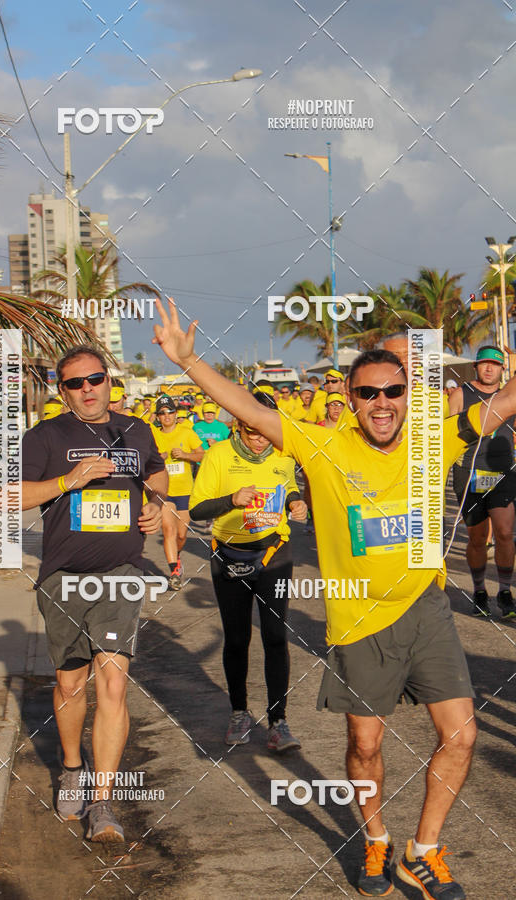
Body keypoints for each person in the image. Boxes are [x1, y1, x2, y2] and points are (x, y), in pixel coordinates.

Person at [152, 298, 516, 900]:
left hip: (425, 609)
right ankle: (376, 838)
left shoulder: (434, 440)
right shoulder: (322, 446)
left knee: (463, 736)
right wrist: (189, 362)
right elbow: (248, 409)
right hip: (358, 619)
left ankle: (423, 851)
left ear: (408, 394)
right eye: (368, 393)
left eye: (393, 391)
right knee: (365, 745)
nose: (382, 403)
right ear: (350, 398)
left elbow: (504, 402)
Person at [21, 345, 167, 842]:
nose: (87, 389)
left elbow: (156, 472)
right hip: (63, 576)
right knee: (69, 685)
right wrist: (68, 480)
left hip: (121, 573)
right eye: (75, 383)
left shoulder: (136, 430)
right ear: (62, 391)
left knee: (113, 683)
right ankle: (71, 768)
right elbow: (10, 496)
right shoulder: (45, 436)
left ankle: (102, 802)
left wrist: (156, 502)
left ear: (109, 380)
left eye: (95, 379)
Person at [189, 391, 306, 751]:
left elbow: (288, 484)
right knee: (238, 638)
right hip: (230, 555)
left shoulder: (283, 452)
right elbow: (196, 510)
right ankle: (239, 713)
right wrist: (232, 500)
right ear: (239, 424)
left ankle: (278, 722)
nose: (260, 439)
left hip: (274, 554)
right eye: (253, 431)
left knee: (275, 636)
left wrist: (295, 502)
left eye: (266, 431)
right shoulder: (219, 455)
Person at [448, 346, 516, 619]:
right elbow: (448, 432)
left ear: (502, 369)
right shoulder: (460, 394)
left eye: (495, 364)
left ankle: (505, 592)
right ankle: (479, 591)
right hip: (469, 471)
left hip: (503, 470)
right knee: (477, 538)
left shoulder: (508, 395)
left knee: (504, 532)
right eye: (485, 363)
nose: (489, 368)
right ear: (475, 366)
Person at [152, 394, 204, 589]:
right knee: (169, 530)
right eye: (162, 413)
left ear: (176, 414)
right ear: (158, 417)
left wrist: (185, 455)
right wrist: (157, 458)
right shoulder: (153, 435)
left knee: (181, 535)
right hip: (164, 491)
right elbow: (145, 459)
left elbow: (202, 455)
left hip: (185, 491)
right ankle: (174, 571)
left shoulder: (187, 432)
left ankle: (177, 555)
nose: (167, 416)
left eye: (170, 412)